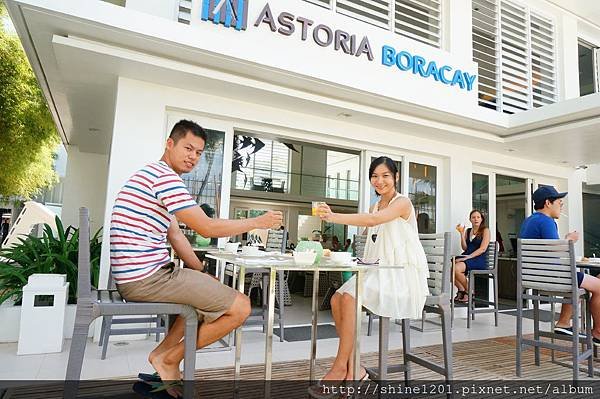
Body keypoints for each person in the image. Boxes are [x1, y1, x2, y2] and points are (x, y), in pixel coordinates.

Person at [109, 120, 282, 395]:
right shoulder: (164, 177)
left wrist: (200, 271)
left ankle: (162, 356)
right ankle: (170, 359)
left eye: (199, 152)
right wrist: (256, 222)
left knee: (201, 299)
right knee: (241, 307)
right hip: (147, 278)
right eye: (188, 148)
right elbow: (206, 227)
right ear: (169, 144)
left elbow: (176, 236)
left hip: (139, 276)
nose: (193, 157)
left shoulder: (153, 175)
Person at [309, 156, 429, 393]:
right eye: (375, 176)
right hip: (378, 270)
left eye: (385, 175)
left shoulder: (402, 203)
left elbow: (373, 221)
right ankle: (355, 368)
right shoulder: (375, 206)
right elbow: (370, 233)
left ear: (395, 177)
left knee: (350, 298)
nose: (379, 180)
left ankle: (341, 366)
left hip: (400, 275)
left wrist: (333, 216)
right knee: (336, 298)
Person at [519, 186, 600, 345]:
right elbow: (558, 253)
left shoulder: (530, 220)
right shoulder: (546, 221)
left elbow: (550, 251)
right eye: (559, 201)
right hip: (553, 277)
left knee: (580, 280)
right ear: (548, 203)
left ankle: (563, 323)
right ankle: (598, 333)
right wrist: (568, 240)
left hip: (535, 277)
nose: (561, 204)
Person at [453, 210, 491, 303]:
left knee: (456, 269)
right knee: (449, 267)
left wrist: (468, 257)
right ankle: (462, 290)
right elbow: (465, 247)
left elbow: (482, 249)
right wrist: (462, 234)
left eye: (478, 217)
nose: (476, 219)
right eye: (473, 217)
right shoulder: (468, 231)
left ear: (482, 219)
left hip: (478, 259)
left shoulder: (485, 230)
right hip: (468, 256)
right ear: (470, 219)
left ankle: (469, 291)